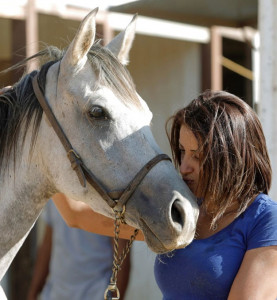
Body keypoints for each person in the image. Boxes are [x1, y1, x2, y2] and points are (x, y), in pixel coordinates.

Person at [52, 90, 277, 299]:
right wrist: (44, 149)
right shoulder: (182, 209)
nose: (185, 167)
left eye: (197, 156)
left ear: (231, 157)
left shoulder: (265, 220)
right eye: (182, 152)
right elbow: (76, 216)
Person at [27, 200, 131, 300]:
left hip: (95, 294)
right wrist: (33, 292)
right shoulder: (56, 193)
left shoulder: (108, 195)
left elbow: (122, 257)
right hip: (55, 295)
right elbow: (47, 244)